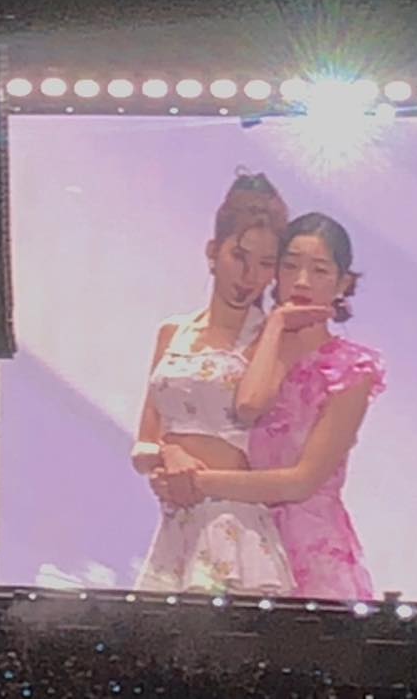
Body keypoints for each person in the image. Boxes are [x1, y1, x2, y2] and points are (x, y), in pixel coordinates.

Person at [155, 213, 385, 601]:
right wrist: (170, 453)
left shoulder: (350, 370)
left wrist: (198, 483)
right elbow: (238, 409)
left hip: (308, 553)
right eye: (290, 266)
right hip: (233, 537)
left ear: (343, 283)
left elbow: (301, 482)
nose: (302, 281)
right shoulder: (247, 344)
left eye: (319, 270)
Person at [130, 171, 296, 595]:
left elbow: (255, 417)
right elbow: (142, 447)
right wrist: (169, 453)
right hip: (175, 527)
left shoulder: (271, 339)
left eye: (265, 264)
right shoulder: (173, 332)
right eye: (239, 256)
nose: (250, 275)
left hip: (236, 528)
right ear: (212, 251)